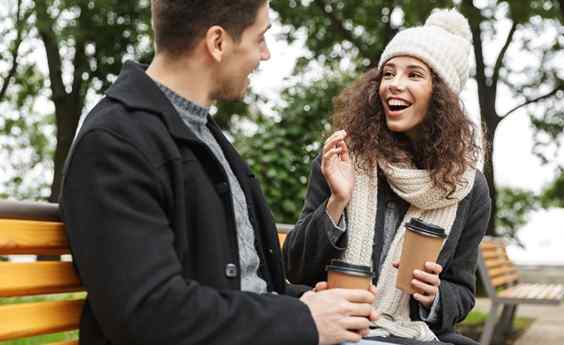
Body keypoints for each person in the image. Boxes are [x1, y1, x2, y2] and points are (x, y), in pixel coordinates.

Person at [60, 1, 380, 344]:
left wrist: (309, 303)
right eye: (260, 39)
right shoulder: (115, 144)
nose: (266, 54)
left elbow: (242, 285)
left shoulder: (201, 134)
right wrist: (303, 318)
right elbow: (148, 313)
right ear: (217, 42)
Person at [283, 8, 491, 345]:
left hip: (409, 331)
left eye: (414, 75)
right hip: (341, 328)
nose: (394, 85)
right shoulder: (344, 157)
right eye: (388, 73)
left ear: (441, 95)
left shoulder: (468, 187)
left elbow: (462, 292)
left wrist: (433, 295)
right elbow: (295, 267)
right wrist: (336, 202)